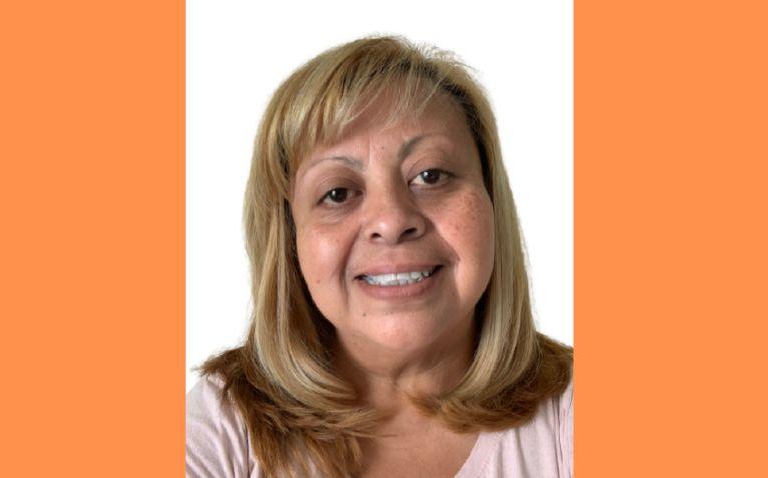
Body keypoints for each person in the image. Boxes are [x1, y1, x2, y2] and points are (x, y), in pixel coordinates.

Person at [186, 35, 573, 478]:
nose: (391, 221)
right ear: (289, 239)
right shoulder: (220, 427)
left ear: (492, 203)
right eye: (337, 193)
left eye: (431, 175)